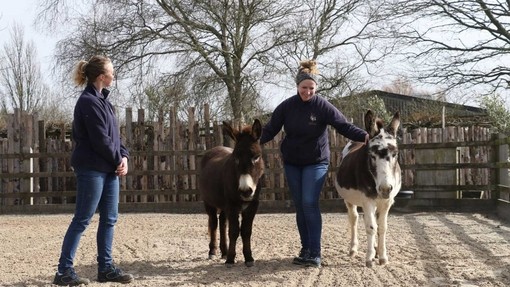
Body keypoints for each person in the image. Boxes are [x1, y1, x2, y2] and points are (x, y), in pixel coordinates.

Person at [260, 60, 368, 268]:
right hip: (292, 162)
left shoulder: (323, 106)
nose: (307, 92)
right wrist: (251, 141)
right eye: (304, 88)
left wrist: (365, 136)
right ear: (297, 87)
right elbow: (270, 129)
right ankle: (305, 249)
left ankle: (315, 253)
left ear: (316, 88)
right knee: (300, 206)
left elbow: (343, 126)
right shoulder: (287, 106)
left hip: (316, 162)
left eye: (311, 88)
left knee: (309, 203)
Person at [53, 55, 134, 286]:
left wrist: (124, 157)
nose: (114, 75)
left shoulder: (104, 102)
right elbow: (100, 139)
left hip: (109, 168)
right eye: (112, 71)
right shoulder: (88, 102)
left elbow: (115, 137)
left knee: (109, 219)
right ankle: (63, 271)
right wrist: (118, 159)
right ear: (102, 76)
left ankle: (106, 268)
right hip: (91, 168)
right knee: (82, 219)